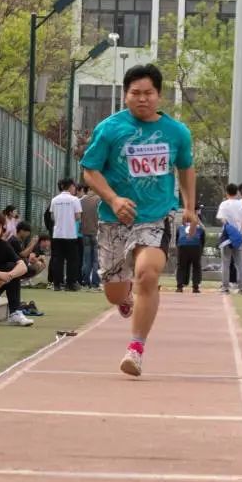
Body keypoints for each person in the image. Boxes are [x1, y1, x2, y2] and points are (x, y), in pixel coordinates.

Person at [80, 63, 195, 378]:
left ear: (159, 95)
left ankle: (136, 349)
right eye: (135, 93)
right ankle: (126, 298)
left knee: (147, 274)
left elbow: (186, 168)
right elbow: (90, 170)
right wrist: (113, 199)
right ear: (125, 95)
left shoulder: (177, 132)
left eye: (148, 93)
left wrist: (189, 206)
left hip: (156, 215)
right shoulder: (109, 129)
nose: (142, 99)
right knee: (114, 293)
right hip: (114, 219)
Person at [48, 178, 82, 291]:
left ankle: (57, 284)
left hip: (57, 234)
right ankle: (70, 284)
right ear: (71, 186)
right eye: (74, 186)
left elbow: (52, 216)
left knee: (58, 259)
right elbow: (78, 216)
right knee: (72, 260)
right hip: (70, 234)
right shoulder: (75, 200)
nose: (75, 189)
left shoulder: (54, 200)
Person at [215, 183, 242, 294]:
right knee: (240, 262)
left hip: (227, 237)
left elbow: (222, 219)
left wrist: (229, 229)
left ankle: (225, 286)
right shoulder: (241, 204)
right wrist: (241, 233)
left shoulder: (224, 204)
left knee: (225, 262)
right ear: (237, 192)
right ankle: (241, 286)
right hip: (239, 236)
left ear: (226, 192)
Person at [175, 212, 204, 293]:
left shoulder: (180, 227)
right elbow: (202, 241)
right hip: (196, 246)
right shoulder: (199, 228)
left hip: (182, 246)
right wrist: (200, 251)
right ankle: (195, 287)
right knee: (196, 266)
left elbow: (177, 240)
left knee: (181, 266)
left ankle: (179, 286)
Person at [79, 187, 101, 289]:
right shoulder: (99, 200)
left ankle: (85, 280)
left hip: (85, 232)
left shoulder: (81, 201)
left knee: (86, 259)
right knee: (96, 259)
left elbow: (79, 217)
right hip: (96, 232)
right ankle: (95, 282)